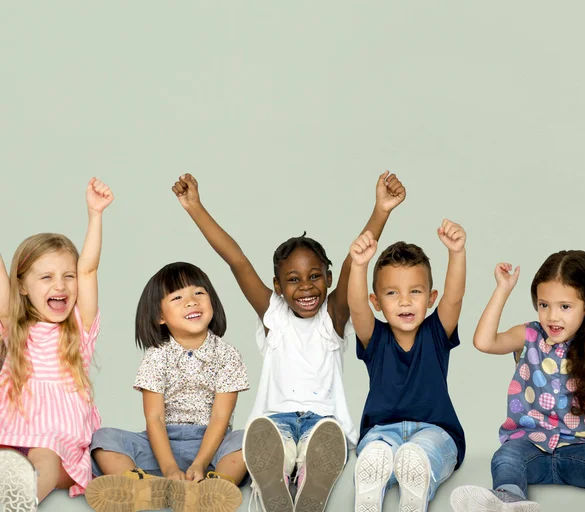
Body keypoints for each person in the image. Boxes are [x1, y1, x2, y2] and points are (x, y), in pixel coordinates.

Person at [172, 170, 405, 512]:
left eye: (314, 277)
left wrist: (381, 210)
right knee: (274, 448)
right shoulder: (274, 315)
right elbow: (236, 259)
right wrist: (195, 207)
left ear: (327, 278)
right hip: (275, 420)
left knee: (320, 444)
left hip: (323, 423)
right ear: (278, 287)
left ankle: (311, 481)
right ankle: (276, 482)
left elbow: (353, 261)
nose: (306, 287)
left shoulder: (333, 316)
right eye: (293, 280)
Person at [86, 262, 249, 512]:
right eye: (177, 297)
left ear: (212, 303)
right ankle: (139, 486)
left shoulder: (228, 355)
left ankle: (215, 487)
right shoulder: (156, 356)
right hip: (161, 443)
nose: (192, 301)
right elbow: (155, 418)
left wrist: (200, 463)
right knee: (103, 438)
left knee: (245, 440)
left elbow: (220, 417)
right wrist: (169, 468)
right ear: (160, 317)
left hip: (212, 445)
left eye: (199, 293)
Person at [451, 251, 585, 512]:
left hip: (582, 451)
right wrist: (503, 289)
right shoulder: (530, 335)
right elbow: (484, 342)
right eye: (544, 304)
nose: (552, 316)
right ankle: (509, 500)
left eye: (565, 306)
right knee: (505, 459)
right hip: (531, 447)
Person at [0, 178, 113, 510]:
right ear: (21, 287)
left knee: (44, 459)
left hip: (57, 441)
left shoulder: (79, 327)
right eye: (46, 277)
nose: (60, 285)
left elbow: (89, 268)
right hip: (9, 430)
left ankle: (17, 501)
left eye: (68, 275)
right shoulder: (13, 325)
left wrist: (95, 214)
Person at [349, 216, 467, 512]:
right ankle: (369, 489)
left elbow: (454, 298)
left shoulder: (437, 333)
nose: (404, 301)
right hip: (381, 430)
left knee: (425, 451)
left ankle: (416, 486)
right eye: (392, 293)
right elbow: (355, 307)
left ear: (430, 298)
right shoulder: (374, 337)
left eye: (415, 291)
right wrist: (359, 265)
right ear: (376, 302)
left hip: (435, 429)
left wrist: (457, 253)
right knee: (376, 451)